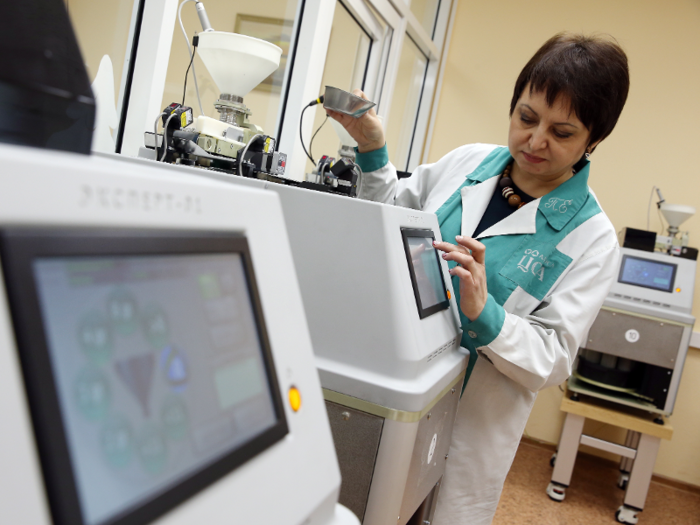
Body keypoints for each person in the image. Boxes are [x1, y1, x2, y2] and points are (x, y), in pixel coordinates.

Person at [326, 33, 630, 524]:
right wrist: (374, 152)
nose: (535, 141)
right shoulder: (467, 163)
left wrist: (486, 316)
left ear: (594, 140)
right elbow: (385, 229)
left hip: (469, 434)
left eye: (563, 132)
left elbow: (553, 360)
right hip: (392, 389)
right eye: (526, 118)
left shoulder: (591, 240)